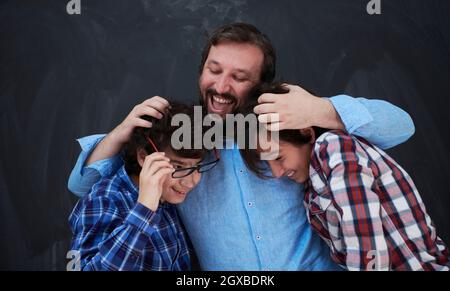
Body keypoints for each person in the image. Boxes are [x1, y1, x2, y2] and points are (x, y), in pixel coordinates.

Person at [68, 23, 416, 270]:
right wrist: (121, 131)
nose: (220, 86)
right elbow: (83, 185)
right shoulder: (184, 135)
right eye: (213, 70)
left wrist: (319, 109)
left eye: (239, 77)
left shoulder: (288, 124)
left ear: (261, 85)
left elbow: (402, 126)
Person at [240, 83, 450, 271]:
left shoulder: (331, 147)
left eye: (279, 157)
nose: (277, 173)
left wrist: (320, 108)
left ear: (306, 132)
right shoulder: (312, 187)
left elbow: (366, 241)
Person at [69, 103, 218, 270]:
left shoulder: (168, 198)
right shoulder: (104, 201)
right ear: (143, 156)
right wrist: (144, 210)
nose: (190, 182)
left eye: (197, 167)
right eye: (178, 167)